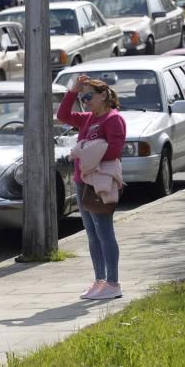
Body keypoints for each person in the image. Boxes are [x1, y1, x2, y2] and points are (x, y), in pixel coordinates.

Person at [57, 74, 127, 300]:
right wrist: (73, 91)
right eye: (83, 96)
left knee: (105, 232)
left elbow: (114, 150)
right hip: (82, 182)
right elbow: (62, 115)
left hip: (100, 183)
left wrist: (86, 150)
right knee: (92, 235)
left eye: (88, 96)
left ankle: (113, 282)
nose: (85, 100)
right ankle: (100, 280)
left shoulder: (113, 119)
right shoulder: (87, 118)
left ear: (104, 95)